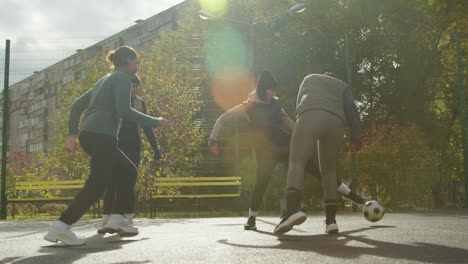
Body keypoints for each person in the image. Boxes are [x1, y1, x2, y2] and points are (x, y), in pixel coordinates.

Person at [43, 46, 169, 245]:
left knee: (128, 171)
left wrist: (73, 134)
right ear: (127, 61)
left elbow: (77, 106)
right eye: (136, 61)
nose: (137, 65)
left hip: (90, 134)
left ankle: (117, 218)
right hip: (102, 136)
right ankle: (61, 227)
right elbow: (124, 110)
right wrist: (155, 121)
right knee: (96, 184)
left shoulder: (105, 79)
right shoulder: (122, 78)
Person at [209, 70, 363, 231]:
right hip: (264, 150)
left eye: (275, 90)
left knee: (315, 169)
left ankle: (349, 193)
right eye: (271, 90)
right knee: (261, 182)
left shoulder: (276, 106)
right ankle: (252, 218)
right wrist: (213, 139)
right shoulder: (248, 106)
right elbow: (223, 118)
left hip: (284, 145)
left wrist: (309, 134)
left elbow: (291, 126)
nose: (274, 93)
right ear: (263, 89)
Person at [274, 72, 362, 235]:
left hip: (311, 113)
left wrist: (304, 128)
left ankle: (292, 210)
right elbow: (351, 108)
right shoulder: (342, 85)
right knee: (329, 170)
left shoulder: (310, 78)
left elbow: (299, 102)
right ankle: (331, 221)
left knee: (297, 162)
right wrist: (357, 135)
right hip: (337, 122)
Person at [98, 74, 162, 234]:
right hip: (116, 144)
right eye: (131, 86)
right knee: (112, 181)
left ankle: (127, 220)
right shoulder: (115, 102)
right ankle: (107, 220)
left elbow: (147, 125)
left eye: (136, 87)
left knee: (129, 182)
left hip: (134, 146)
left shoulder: (140, 103)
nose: (134, 90)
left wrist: (155, 147)